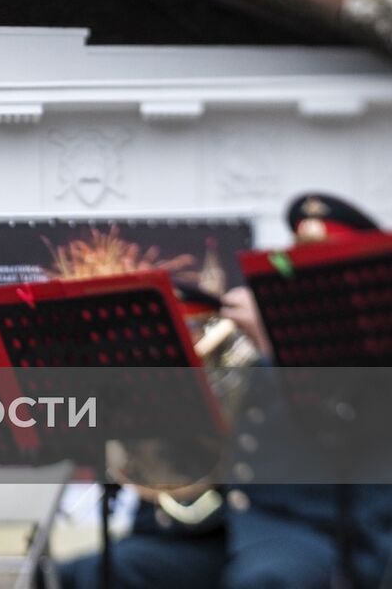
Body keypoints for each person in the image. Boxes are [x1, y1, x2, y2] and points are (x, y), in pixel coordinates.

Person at [60, 192, 392, 589]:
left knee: (264, 579)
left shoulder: (372, 363)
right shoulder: (244, 359)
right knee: (101, 571)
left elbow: (346, 437)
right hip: (218, 529)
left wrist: (280, 346)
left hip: (311, 531)